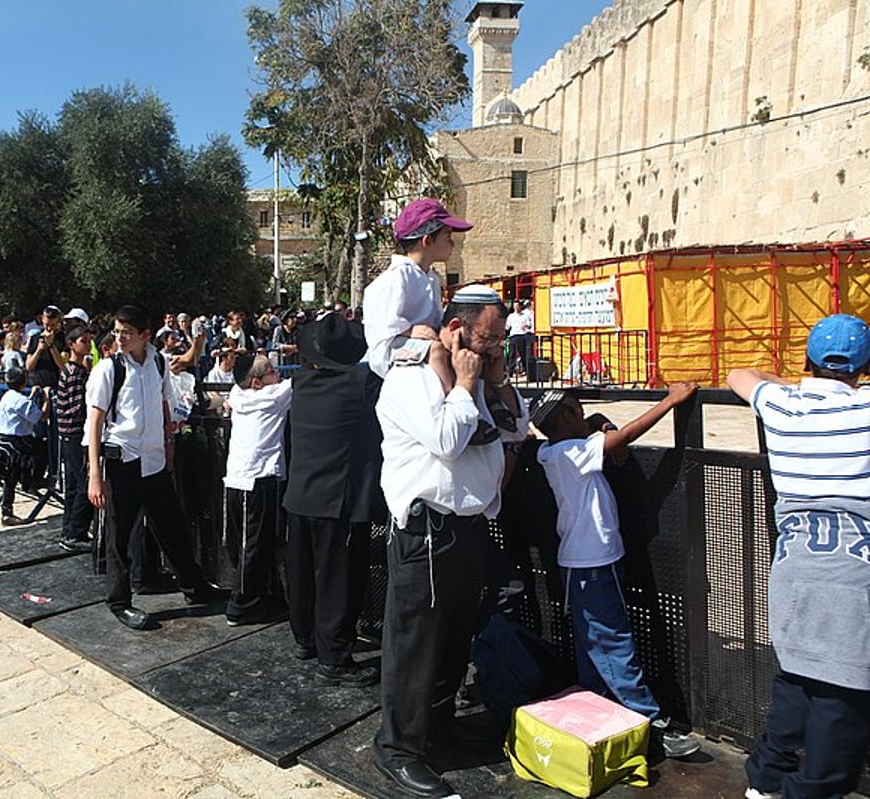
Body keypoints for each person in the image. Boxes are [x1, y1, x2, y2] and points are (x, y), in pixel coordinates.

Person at [372, 285, 526, 799]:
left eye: (501, 339)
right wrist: (463, 385)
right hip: (427, 531)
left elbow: (514, 432)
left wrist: (496, 385)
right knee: (415, 646)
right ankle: (398, 747)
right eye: (489, 338)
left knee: (453, 640)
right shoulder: (412, 377)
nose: (496, 348)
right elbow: (446, 439)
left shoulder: (479, 377)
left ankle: (435, 729)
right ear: (458, 329)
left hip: (468, 527)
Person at [728, 313, 870, 799]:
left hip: (794, 572)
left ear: (808, 362)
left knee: (798, 679)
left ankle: (765, 780)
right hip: (854, 581)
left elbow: (739, 376)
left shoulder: (784, 408)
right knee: (842, 701)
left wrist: (795, 385)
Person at [529, 383, 702, 760]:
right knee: (613, 642)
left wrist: (602, 425)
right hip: (591, 562)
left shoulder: (552, 449)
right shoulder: (573, 452)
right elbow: (627, 434)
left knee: (594, 644)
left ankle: (599, 707)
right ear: (568, 417)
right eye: (577, 410)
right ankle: (650, 722)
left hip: (591, 561)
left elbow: (599, 425)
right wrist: (670, 401)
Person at [85, 304, 221, 630]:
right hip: (124, 460)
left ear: (145, 335)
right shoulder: (108, 369)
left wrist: (168, 443)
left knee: (172, 525)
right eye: (117, 332)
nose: (120, 338)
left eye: (127, 333)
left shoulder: (158, 362)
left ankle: (193, 585)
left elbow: (163, 403)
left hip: (155, 460)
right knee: (120, 535)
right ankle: (119, 601)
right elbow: (95, 420)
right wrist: (94, 473)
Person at [283, 312, 386, 685]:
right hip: (337, 499)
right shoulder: (361, 384)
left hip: (300, 494)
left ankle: (305, 638)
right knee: (339, 580)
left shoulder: (300, 382)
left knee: (303, 574)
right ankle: (335, 657)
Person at [364, 198, 470, 391]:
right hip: (391, 354)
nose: (452, 243)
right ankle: (450, 397)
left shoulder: (431, 278)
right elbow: (381, 322)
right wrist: (408, 330)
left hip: (422, 347)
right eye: (447, 236)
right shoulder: (394, 278)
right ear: (427, 240)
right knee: (437, 351)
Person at [222, 354, 291, 627]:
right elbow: (304, 380)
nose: (278, 374)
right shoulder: (275, 396)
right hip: (260, 478)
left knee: (248, 543)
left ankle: (262, 596)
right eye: (272, 371)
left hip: (238, 478)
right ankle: (240, 605)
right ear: (257, 382)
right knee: (255, 545)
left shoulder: (238, 393)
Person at [54, 323, 95, 552]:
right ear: (71, 344)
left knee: (72, 484)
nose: (87, 344)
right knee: (84, 485)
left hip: (68, 434)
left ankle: (68, 530)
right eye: (83, 341)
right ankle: (76, 531)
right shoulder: (74, 373)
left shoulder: (75, 371)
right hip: (75, 434)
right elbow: (78, 407)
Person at [0, 367, 49, 526]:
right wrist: (47, 398)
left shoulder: (7, 397)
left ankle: (7, 510)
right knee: (42, 448)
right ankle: (35, 480)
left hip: (5, 440)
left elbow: (23, 406)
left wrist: (31, 395)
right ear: (24, 381)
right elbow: (42, 417)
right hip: (19, 442)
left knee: (9, 480)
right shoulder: (21, 401)